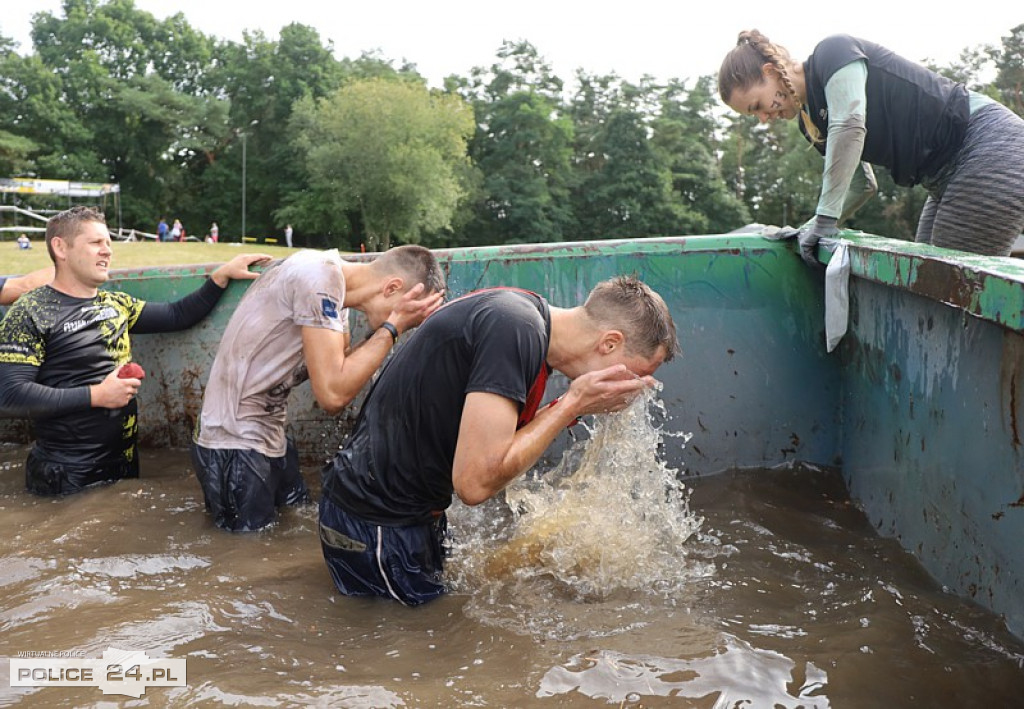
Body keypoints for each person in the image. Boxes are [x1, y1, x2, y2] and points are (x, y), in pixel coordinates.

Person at [318, 276, 679, 605]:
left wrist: (570, 407)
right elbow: (474, 484)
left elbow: (492, 445)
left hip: (397, 517)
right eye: (634, 376)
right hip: (376, 524)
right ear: (610, 343)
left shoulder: (525, 320)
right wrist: (572, 403)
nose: (629, 390)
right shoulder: (514, 328)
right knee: (423, 642)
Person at [0, 206, 269, 496]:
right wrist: (96, 395)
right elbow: (10, 396)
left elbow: (177, 315)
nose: (107, 251)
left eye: (108, 243)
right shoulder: (29, 311)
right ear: (60, 248)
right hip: (63, 477)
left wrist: (220, 277)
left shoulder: (116, 304)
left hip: (123, 466)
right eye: (96, 242)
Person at [190, 245, 446, 532]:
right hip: (232, 441)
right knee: (246, 550)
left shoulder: (335, 290)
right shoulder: (318, 278)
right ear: (392, 287)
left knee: (294, 526)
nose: (408, 322)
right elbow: (332, 395)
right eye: (410, 313)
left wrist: (387, 329)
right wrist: (392, 327)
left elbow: (342, 367)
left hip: (268, 435)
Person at [718, 30, 1024, 264]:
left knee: (948, 288)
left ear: (771, 72)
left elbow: (850, 125)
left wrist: (825, 219)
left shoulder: (832, 53)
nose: (763, 118)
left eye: (757, 105)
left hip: (986, 145)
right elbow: (860, 184)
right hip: (943, 177)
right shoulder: (809, 122)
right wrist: (811, 227)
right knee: (929, 279)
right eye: (753, 115)